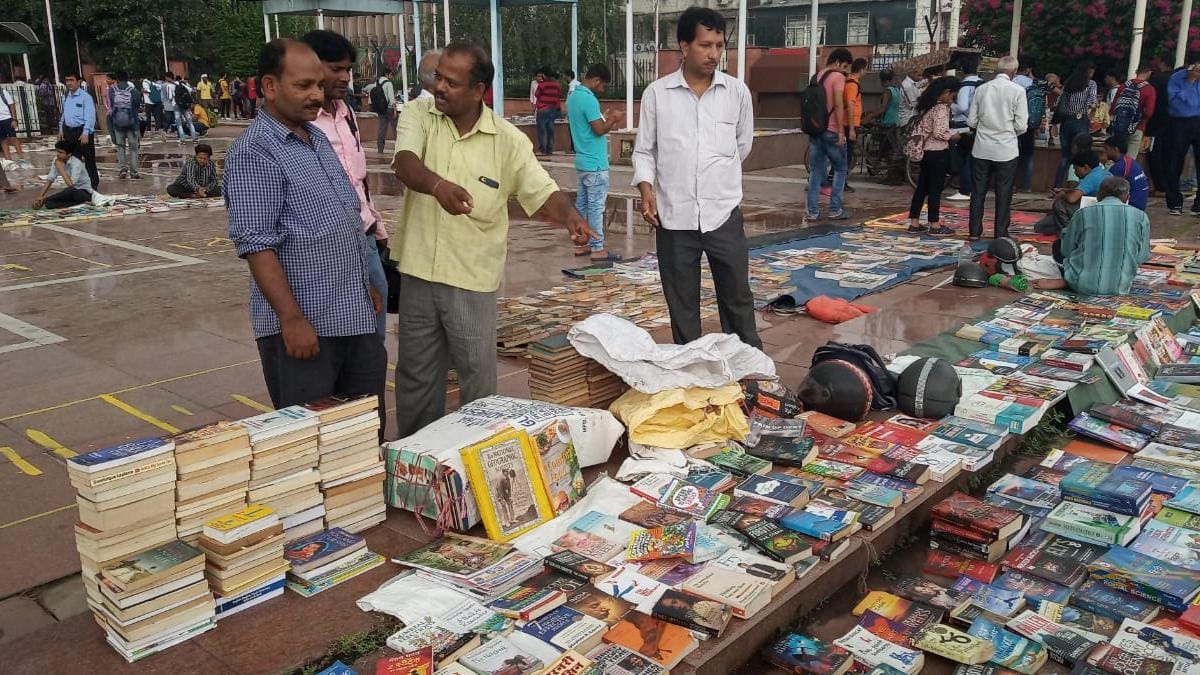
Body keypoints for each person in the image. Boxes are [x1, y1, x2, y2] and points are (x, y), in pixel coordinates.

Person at [389, 41, 589, 439]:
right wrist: (437, 185)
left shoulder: (507, 140)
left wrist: (571, 216)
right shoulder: (419, 113)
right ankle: (415, 457)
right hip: (418, 272)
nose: (439, 87)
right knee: (416, 378)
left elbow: (540, 189)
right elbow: (405, 163)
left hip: (471, 278)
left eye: (451, 81)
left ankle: (474, 458)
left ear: (479, 90)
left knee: (477, 381)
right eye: (438, 77)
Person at [224, 39, 386, 424]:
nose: (316, 95)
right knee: (315, 443)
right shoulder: (255, 153)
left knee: (365, 430)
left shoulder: (315, 139)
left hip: (353, 315)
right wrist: (291, 320)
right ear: (269, 86)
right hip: (306, 330)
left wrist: (363, 282)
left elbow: (344, 216)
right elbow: (257, 245)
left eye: (319, 84)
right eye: (303, 86)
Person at [633, 7, 762, 350]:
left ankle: (749, 369)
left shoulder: (736, 93)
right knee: (683, 307)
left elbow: (741, 146)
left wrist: (716, 178)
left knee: (737, 299)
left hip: (723, 214)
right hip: (674, 219)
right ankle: (692, 374)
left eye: (719, 45)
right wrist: (647, 189)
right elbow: (644, 151)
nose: (714, 54)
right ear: (684, 46)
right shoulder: (657, 95)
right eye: (706, 45)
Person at [302, 29, 391, 350]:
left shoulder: (347, 113)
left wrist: (376, 226)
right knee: (332, 339)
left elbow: (357, 179)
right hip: (326, 246)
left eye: (348, 69)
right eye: (335, 68)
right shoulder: (302, 123)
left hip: (364, 239)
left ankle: (367, 397)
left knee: (371, 338)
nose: (345, 77)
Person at [568, 63, 626, 260]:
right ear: (596, 80)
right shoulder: (589, 99)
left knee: (582, 206)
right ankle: (597, 247)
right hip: (596, 164)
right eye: (603, 86)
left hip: (583, 161)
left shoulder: (573, 96)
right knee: (596, 207)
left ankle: (580, 243)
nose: (603, 90)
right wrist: (614, 120)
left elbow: (590, 124)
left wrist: (605, 117)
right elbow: (599, 130)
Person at [966, 55, 1028, 240]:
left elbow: (971, 120)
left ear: (997, 69)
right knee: (1004, 193)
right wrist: (1007, 132)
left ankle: (974, 232)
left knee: (978, 192)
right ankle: (1000, 233)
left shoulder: (982, 89)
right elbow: (1022, 125)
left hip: (982, 147)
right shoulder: (1018, 91)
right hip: (1006, 149)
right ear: (1014, 72)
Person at [1057, 176, 1149, 296]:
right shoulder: (1141, 217)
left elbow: (1066, 251)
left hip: (1080, 285)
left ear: (1099, 195)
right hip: (1121, 287)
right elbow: (1141, 257)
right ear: (1127, 197)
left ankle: (1070, 278)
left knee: (1058, 245)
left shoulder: (1082, 213)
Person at [906, 77, 962, 236]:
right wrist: (953, 136)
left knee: (922, 188)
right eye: (952, 96)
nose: (953, 100)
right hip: (938, 153)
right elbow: (939, 132)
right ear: (946, 93)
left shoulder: (927, 107)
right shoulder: (941, 109)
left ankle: (914, 222)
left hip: (925, 153)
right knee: (935, 189)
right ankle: (935, 224)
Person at [805, 48, 854, 222]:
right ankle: (835, 209)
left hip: (815, 129)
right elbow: (839, 104)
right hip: (832, 130)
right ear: (839, 62)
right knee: (841, 168)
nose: (845, 71)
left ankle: (812, 211)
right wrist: (841, 131)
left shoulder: (816, 76)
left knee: (816, 170)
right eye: (845, 66)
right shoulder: (838, 77)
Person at [1035, 150, 1111, 235]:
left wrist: (1062, 195)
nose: (1075, 172)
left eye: (1076, 169)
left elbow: (1072, 199)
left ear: (1085, 167)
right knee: (1042, 225)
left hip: (1092, 213)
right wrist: (1066, 190)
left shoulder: (1091, 178)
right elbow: (1083, 190)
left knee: (1059, 203)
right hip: (1103, 212)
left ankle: (1069, 233)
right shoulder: (1104, 173)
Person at [1166, 56, 1200, 215]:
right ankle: (1174, 202)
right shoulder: (1176, 79)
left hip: (1198, 120)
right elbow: (1175, 101)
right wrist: (1190, 81)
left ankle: (1198, 204)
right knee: (1175, 161)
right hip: (1180, 121)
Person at [1054, 62, 1097, 187]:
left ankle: (1056, 186)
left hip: (1066, 121)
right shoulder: (1091, 84)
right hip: (1081, 119)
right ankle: (1081, 187)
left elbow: (1059, 101)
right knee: (1082, 156)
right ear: (1089, 71)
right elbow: (1092, 103)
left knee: (1065, 157)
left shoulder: (1069, 83)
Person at [947, 55, 983, 202]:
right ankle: (972, 188)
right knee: (972, 158)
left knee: (963, 159)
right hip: (979, 125)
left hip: (963, 126)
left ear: (961, 70)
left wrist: (950, 104)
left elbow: (962, 106)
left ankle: (964, 189)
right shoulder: (982, 84)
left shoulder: (965, 86)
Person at [827, 57, 866, 194]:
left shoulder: (850, 82)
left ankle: (836, 180)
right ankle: (839, 182)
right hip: (848, 124)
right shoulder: (852, 84)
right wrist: (850, 129)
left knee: (844, 155)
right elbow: (850, 104)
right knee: (845, 156)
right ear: (862, 70)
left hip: (848, 123)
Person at [58, 73, 100, 191]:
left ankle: (93, 184)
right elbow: (64, 114)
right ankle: (75, 183)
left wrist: (86, 132)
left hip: (82, 131)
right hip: (69, 131)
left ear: (79, 81)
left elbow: (90, 116)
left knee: (88, 158)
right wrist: (61, 128)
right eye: (67, 80)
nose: (69, 83)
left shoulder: (85, 97)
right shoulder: (65, 96)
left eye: (71, 80)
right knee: (73, 159)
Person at [31, 140, 93, 209]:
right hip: (71, 194)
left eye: (61, 152)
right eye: (57, 151)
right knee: (50, 204)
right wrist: (40, 196)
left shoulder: (76, 163)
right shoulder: (56, 160)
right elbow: (50, 179)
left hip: (84, 192)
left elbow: (71, 185)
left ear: (69, 154)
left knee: (69, 191)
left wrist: (61, 169)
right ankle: (78, 203)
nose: (58, 154)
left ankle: (45, 201)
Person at [1016, 59, 1046, 192]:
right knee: (1028, 155)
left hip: (1013, 123)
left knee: (1013, 155)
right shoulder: (1032, 83)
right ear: (1028, 69)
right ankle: (1027, 185)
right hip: (1029, 124)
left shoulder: (1012, 82)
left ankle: (1011, 184)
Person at [107, 70, 143, 180]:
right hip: (132, 124)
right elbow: (137, 106)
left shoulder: (112, 91)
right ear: (128, 79)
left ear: (117, 79)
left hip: (117, 123)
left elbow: (111, 106)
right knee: (133, 148)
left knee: (120, 147)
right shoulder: (133, 91)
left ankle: (122, 169)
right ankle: (134, 172)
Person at [1103, 135, 1149, 211]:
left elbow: (1106, 187)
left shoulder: (1119, 167)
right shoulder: (1130, 161)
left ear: (1115, 149)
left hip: (1131, 206)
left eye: (1106, 149)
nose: (1105, 152)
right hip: (1141, 203)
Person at [534, 67, 563, 155]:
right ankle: (549, 149)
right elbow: (559, 95)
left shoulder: (542, 85)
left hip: (543, 109)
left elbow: (536, 94)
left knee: (541, 129)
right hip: (552, 109)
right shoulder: (557, 85)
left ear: (544, 75)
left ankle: (543, 148)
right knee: (550, 129)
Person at [0, 80, 27, 164]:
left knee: (13, 138)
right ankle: (9, 160)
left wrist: (14, 119)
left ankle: (21, 158)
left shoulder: (3, 92)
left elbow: (12, 105)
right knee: (2, 140)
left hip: (7, 118)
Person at [369, 69, 395, 154]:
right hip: (389, 109)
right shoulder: (388, 84)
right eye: (391, 74)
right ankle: (400, 148)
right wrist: (395, 109)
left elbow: (370, 98)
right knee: (395, 128)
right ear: (387, 74)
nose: (391, 76)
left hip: (380, 109)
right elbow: (391, 98)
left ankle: (380, 149)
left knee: (382, 129)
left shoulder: (375, 84)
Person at [174, 75, 198, 144]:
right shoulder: (186, 86)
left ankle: (182, 140)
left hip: (177, 106)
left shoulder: (173, 85)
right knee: (190, 123)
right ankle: (194, 139)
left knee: (179, 124)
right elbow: (192, 92)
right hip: (186, 106)